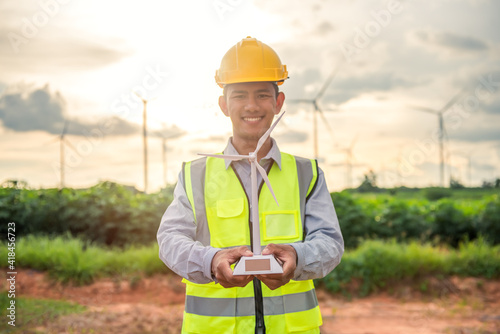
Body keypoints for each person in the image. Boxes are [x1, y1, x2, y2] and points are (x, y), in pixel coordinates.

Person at [157, 36, 344, 334]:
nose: (252, 106)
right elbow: (169, 240)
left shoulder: (306, 173)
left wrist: (298, 257)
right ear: (223, 105)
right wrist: (211, 260)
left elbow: (331, 243)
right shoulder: (196, 174)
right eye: (240, 95)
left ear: (279, 102)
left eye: (262, 94)